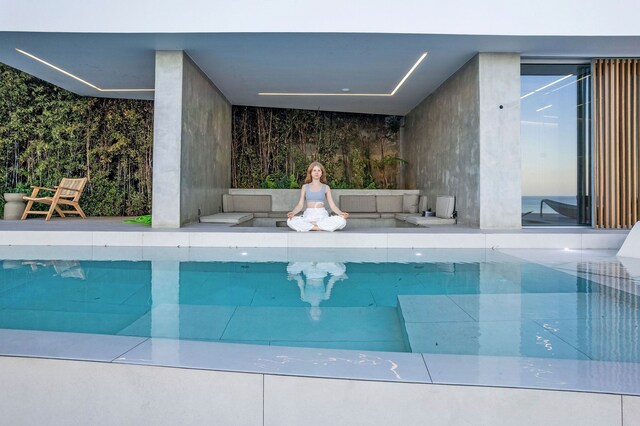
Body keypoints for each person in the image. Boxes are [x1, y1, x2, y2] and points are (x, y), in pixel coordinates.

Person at [287, 161, 349, 232]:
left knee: (342, 221)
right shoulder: (305, 187)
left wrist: (341, 214)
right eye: (314, 170)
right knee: (290, 221)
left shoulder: (326, 187)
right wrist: (293, 213)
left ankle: (311, 227)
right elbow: (300, 205)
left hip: (321, 215)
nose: (316, 172)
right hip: (309, 215)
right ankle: (319, 227)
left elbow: (332, 206)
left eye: (319, 170)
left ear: (322, 173)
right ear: (310, 172)